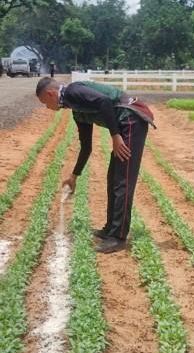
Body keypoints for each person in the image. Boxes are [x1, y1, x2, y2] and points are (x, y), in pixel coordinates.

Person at [35, 76, 154, 253]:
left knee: (123, 180)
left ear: (50, 94)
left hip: (131, 120)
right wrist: (74, 176)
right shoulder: (76, 110)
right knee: (113, 178)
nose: (47, 108)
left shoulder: (73, 91)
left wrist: (115, 136)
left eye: (45, 103)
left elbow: (105, 102)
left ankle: (118, 237)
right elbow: (86, 147)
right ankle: (110, 229)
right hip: (124, 124)